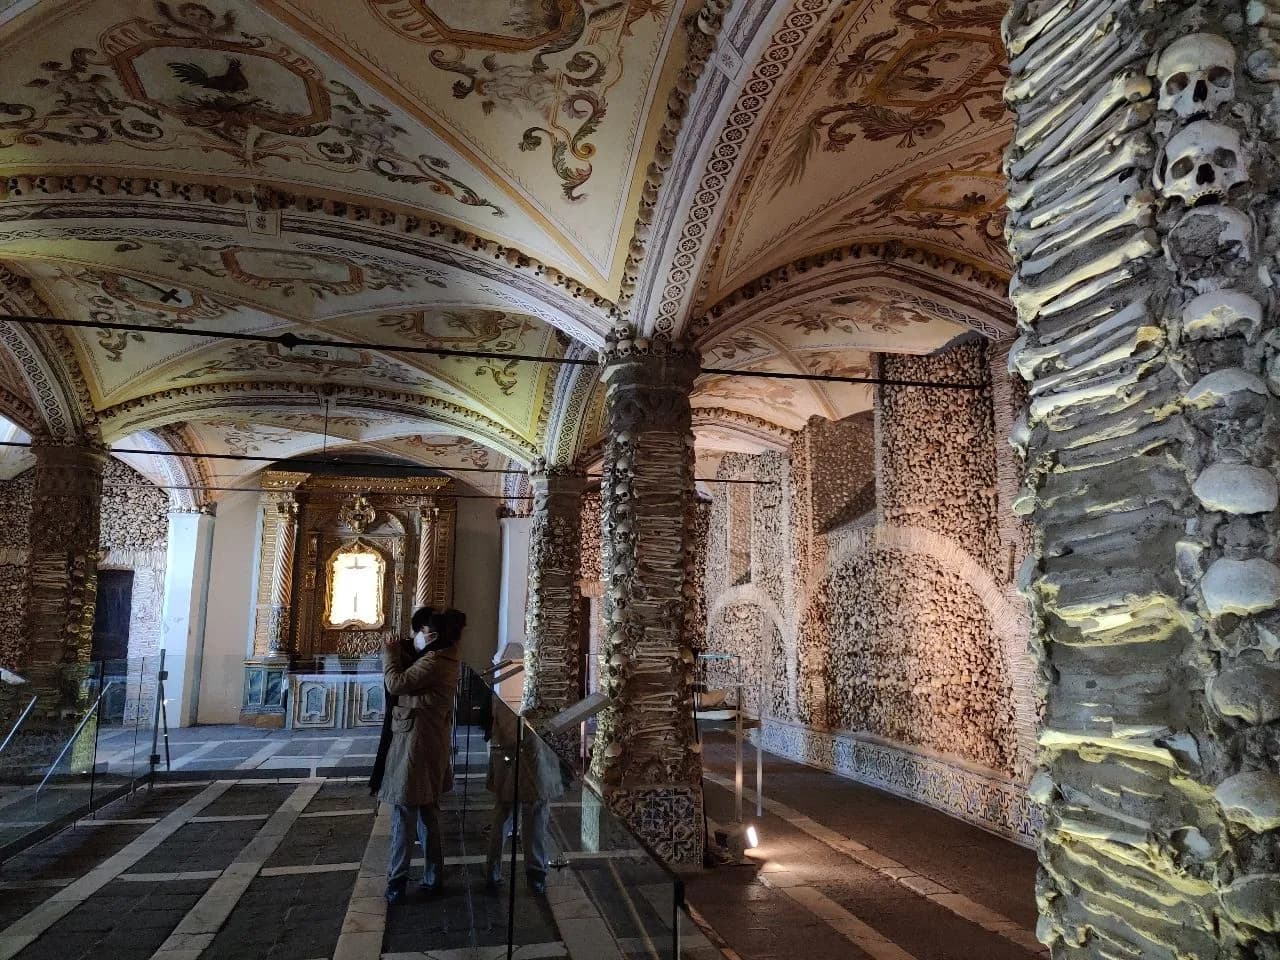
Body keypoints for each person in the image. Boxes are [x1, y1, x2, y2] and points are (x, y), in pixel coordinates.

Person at [369, 605, 465, 904]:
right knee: (426, 812)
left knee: (404, 812)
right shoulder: (440, 657)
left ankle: (397, 879)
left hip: (416, 746)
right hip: (423, 741)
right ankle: (433, 875)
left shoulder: (436, 661)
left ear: (431, 634)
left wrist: (390, 654)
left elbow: (396, 683)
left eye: (419, 632)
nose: (415, 637)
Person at [482, 694, 567, 895]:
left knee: (506, 812)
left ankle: (493, 869)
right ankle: (534, 873)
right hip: (525, 749)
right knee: (532, 811)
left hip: (512, 747)